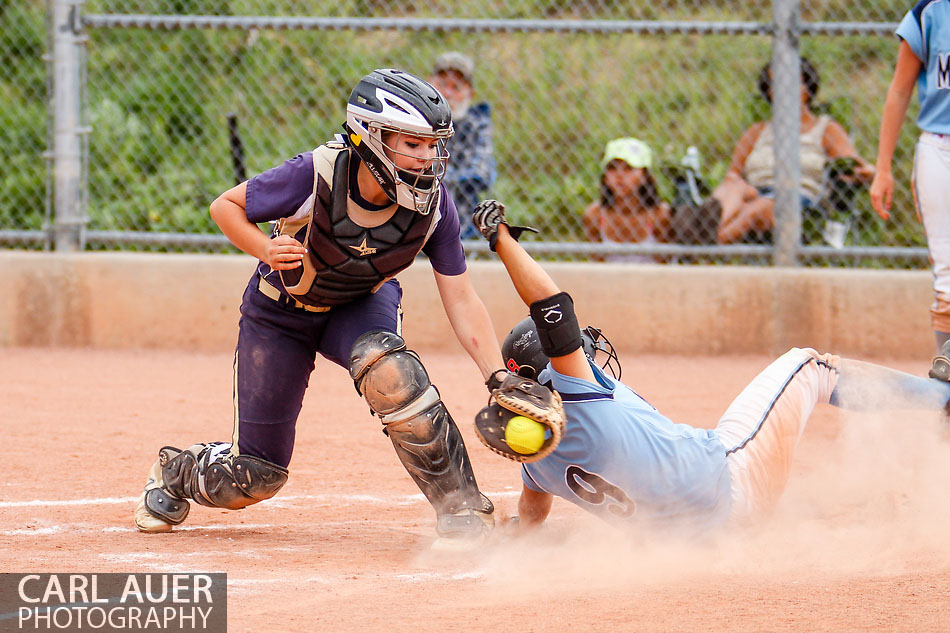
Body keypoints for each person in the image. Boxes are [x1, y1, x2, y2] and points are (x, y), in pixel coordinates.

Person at [132, 69, 507, 549]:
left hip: (359, 306)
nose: (427, 157)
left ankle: (462, 507)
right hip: (280, 314)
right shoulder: (317, 172)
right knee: (256, 475)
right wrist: (264, 250)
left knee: (388, 368)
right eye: (412, 144)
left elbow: (462, 297)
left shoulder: (434, 206)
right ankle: (177, 472)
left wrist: (495, 376)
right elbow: (225, 207)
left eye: (433, 145)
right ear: (371, 138)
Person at [470, 198, 950, 534]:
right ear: (545, 368)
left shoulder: (536, 465)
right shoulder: (570, 386)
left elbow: (531, 521)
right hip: (735, 482)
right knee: (809, 366)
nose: (588, 355)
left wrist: (503, 535)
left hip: (704, 542)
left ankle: (876, 503)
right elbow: (551, 305)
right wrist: (502, 241)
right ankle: (942, 398)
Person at [705, 58, 874, 244]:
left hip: (800, 203)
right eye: (774, 84)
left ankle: (702, 247)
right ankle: (701, 232)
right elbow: (733, 175)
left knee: (756, 208)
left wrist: (866, 172)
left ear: (807, 89)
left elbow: (851, 164)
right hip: (755, 193)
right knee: (735, 187)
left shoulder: (826, 129)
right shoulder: (757, 132)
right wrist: (740, 187)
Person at [870, 1, 950, 354]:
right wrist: (883, 169)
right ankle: (948, 379)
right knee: (948, 273)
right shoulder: (929, 13)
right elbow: (900, 90)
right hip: (940, 150)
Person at [428, 52, 497, 240]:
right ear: (428, 84)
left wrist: (434, 181)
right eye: (441, 85)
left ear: (470, 94)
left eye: (456, 87)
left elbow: (480, 173)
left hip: (459, 217)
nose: (447, 93)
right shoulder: (413, 119)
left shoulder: (477, 125)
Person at [582, 138, 672, 263]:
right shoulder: (595, 215)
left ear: (644, 176)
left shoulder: (660, 214)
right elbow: (596, 266)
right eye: (612, 168)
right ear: (605, 178)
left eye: (629, 168)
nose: (619, 176)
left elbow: (665, 267)